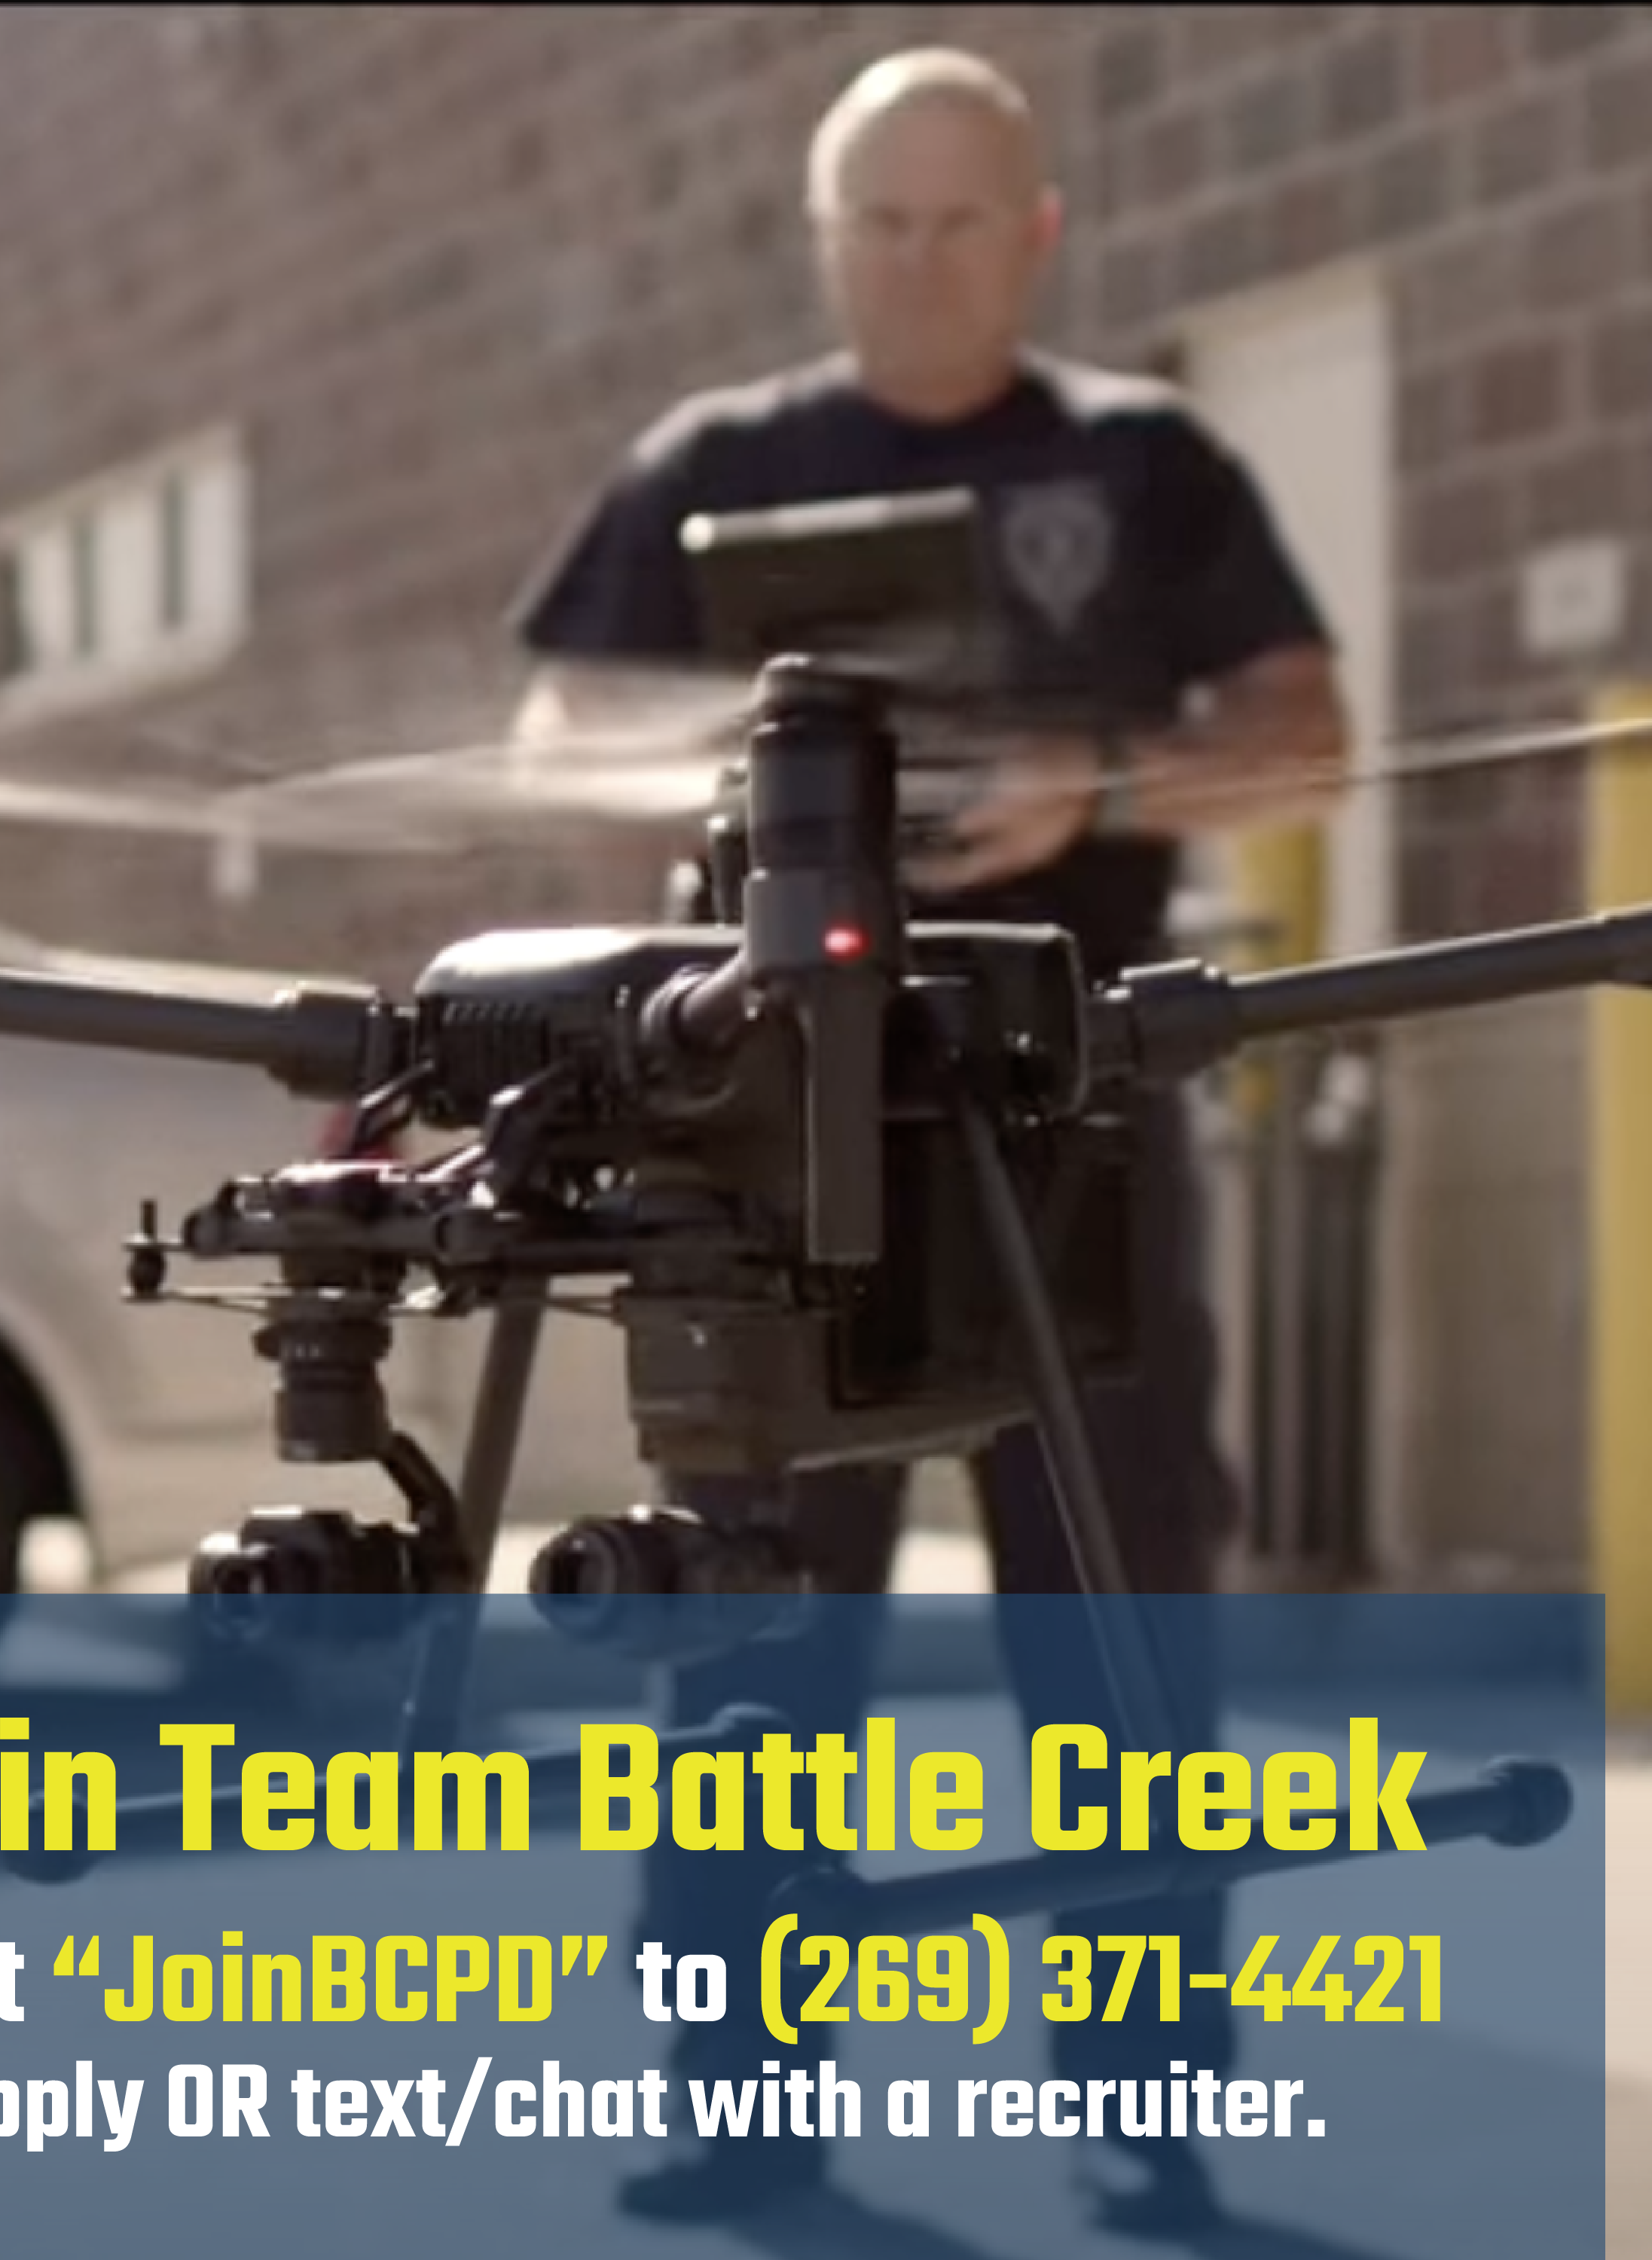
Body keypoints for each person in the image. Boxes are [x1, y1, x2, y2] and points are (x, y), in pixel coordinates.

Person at [504, 46, 1351, 2237]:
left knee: (1117, 1611)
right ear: (822, 237)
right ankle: (742, 2099)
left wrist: (1109, 785)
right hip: (773, 1144)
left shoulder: (1145, 465)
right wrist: (735, 778)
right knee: (752, 1629)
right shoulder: (714, 463)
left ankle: (1148, 2105)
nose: (919, 258)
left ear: (1040, 232)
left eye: (963, 219)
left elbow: (1309, 742)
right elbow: (548, 740)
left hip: (1076, 1114)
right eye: (879, 221)